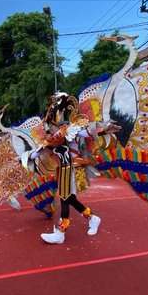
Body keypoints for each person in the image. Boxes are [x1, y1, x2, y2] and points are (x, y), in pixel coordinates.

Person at [31, 93, 122, 244]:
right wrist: (21, 159)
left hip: (71, 169)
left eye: (52, 121)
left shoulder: (69, 130)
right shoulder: (50, 139)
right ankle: (92, 218)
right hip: (63, 170)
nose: (50, 126)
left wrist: (104, 130)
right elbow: (37, 152)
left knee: (65, 199)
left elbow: (85, 132)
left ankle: (61, 233)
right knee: (70, 198)